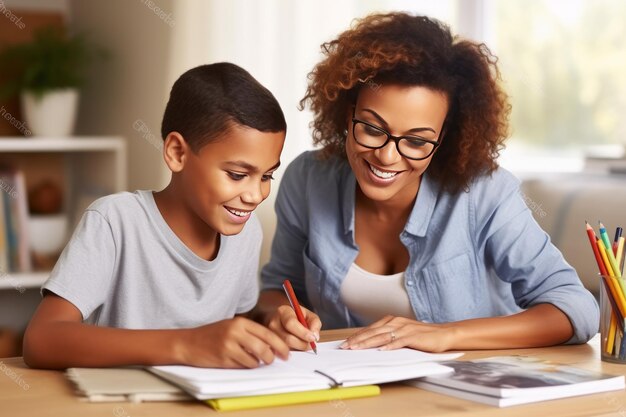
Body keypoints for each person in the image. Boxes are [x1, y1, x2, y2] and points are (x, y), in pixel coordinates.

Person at [255, 13, 598, 353]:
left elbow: (576, 308)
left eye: (417, 141)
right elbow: (279, 287)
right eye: (373, 129)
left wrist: (446, 335)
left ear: (444, 138)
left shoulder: (483, 193)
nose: (387, 157)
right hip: (355, 390)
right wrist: (280, 315)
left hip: (468, 397)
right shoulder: (308, 179)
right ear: (348, 115)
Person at [23, 63, 290, 369]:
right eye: (237, 174)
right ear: (177, 153)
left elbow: (238, 322)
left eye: (267, 176)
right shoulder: (115, 222)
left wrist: (272, 320)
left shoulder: (247, 231)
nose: (255, 195)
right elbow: (41, 340)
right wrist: (186, 344)